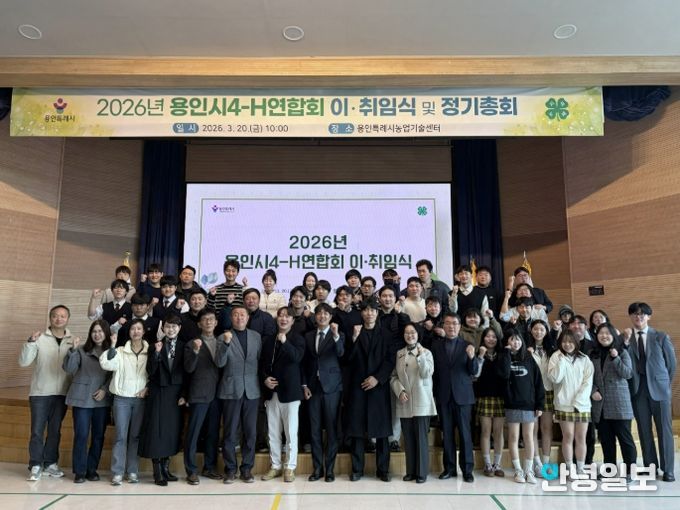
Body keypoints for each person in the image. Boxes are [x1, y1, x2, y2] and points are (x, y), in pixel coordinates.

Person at [19, 305, 75, 481]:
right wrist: (30, 342)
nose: (59, 319)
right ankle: (35, 464)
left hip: (62, 393)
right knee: (37, 430)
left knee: (55, 431)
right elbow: (24, 362)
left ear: (68, 319)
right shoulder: (40, 338)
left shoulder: (72, 340)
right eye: (55, 316)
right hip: (40, 393)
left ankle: (50, 463)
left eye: (63, 316)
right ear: (50, 318)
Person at [345, 298, 395, 482]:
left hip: (378, 388)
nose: (369, 313)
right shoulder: (354, 331)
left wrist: (378, 378)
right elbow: (347, 359)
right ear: (361, 313)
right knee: (357, 430)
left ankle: (383, 470)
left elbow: (390, 360)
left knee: (382, 431)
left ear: (377, 312)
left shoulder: (386, 334)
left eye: (372, 310)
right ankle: (357, 469)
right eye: (366, 310)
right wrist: (354, 339)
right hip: (357, 387)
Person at [625, 301, 676, 482]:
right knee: (644, 431)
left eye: (642, 314)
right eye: (634, 314)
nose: (638, 317)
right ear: (630, 316)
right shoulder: (626, 338)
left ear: (648, 316)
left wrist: (664, 383)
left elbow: (671, 365)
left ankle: (668, 470)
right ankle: (651, 468)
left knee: (665, 430)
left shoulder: (660, 336)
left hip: (660, 390)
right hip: (638, 390)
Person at [99, 318, 149, 486]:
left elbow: (153, 373)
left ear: (143, 332)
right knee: (120, 436)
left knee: (135, 436)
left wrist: (147, 388)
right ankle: (117, 472)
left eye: (139, 329)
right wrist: (112, 345)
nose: (136, 331)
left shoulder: (150, 351)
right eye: (133, 329)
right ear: (129, 332)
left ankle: (132, 471)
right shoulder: (120, 351)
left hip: (140, 399)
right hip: (121, 398)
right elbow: (107, 364)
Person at [215, 306, 262, 484]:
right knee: (230, 432)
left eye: (242, 314)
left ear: (248, 318)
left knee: (250, 432)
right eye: (235, 315)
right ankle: (230, 469)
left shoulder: (256, 337)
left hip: (252, 390)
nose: (239, 317)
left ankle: (247, 469)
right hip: (231, 390)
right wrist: (226, 344)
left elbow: (259, 360)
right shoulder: (223, 337)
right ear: (231, 318)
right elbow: (219, 363)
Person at [62, 319, 112, 483]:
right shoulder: (82, 350)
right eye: (94, 331)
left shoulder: (111, 351)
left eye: (100, 331)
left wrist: (104, 389)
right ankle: (80, 471)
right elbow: (69, 369)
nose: (97, 334)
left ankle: (92, 469)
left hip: (101, 400)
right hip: (82, 398)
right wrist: (73, 350)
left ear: (106, 333)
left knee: (98, 436)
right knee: (81, 435)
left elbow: (115, 374)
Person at [431, 312, 479, 483]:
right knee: (447, 435)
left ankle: (467, 470)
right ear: (443, 326)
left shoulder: (468, 345)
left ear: (459, 327)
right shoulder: (435, 346)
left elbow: (474, 371)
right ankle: (449, 468)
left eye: (455, 323)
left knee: (465, 435)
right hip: (444, 396)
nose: (451, 326)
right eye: (448, 323)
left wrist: (472, 358)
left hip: (463, 397)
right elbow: (434, 373)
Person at [140, 313, 187, 487]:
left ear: (179, 328)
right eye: (168, 326)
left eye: (174, 326)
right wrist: (157, 353)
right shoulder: (155, 346)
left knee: (171, 431)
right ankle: (157, 472)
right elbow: (150, 371)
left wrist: (184, 394)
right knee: (156, 430)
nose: (171, 329)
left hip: (175, 393)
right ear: (163, 328)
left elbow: (187, 373)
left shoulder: (184, 346)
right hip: (158, 391)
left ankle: (166, 469)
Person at [260, 306, 305, 482]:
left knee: (291, 432)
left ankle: (290, 467)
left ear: (292, 321)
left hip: (291, 392)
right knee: (273, 432)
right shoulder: (268, 339)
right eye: (280, 316)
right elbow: (262, 364)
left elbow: (297, 358)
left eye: (287, 317)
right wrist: (265, 378)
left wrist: (285, 342)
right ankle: (275, 466)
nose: (283, 319)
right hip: (271, 392)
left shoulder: (298, 338)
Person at [304, 303, 345, 482]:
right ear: (315, 316)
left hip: (332, 388)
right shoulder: (308, 336)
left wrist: (335, 336)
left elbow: (341, 353)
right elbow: (304, 362)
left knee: (331, 429)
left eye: (326, 313)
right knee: (314, 430)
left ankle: (330, 469)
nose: (322, 316)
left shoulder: (338, 334)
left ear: (330, 317)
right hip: (313, 388)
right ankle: (317, 469)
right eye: (319, 313)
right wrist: (304, 385)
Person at [390, 323, 436, 483]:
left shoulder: (426, 352)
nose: (410, 335)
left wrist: (420, 355)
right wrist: (400, 391)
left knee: (421, 439)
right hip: (405, 401)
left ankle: (421, 473)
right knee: (408, 439)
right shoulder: (399, 354)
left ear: (418, 334)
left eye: (413, 332)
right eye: (407, 333)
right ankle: (410, 471)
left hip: (421, 402)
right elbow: (393, 377)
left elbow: (426, 373)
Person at [590, 322, 636, 479]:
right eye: (601, 333)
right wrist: (593, 391)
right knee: (606, 440)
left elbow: (628, 374)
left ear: (614, 336)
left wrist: (615, 358)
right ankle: (609, 470)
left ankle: (630, 471)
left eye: (608, 333)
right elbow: (586, 377)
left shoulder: (622, 352)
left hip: (619, 403)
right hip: (601, 404)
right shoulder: (593, 354)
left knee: (625, 440)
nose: (604, 336)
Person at [498, 331, 545, 484]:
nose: (515, 342)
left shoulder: (529, 358)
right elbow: (504, 374)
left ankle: (528, 470)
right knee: (513, 437)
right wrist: (506, 354)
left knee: (529, 437)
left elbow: (538, 382)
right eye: (512, 340)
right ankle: (518, 470)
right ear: (507, 342)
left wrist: (540, 404)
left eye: (518, 339)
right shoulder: (503, 357)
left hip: (529, 404)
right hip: (512, 404)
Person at [183, 308, 223, 484]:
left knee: (213, 433)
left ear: (216, 322)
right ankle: (191, 470)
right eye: (205, 319)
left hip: (218, 395)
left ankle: (209, 467)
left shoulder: (222, 341)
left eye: (211, 319)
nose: (208, 322)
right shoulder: (192, 343)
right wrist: (195, 351)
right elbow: (188, 368)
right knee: (193, 433)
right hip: (199, 393)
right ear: (199, 324)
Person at [548, 330, 594, 478]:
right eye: (564, 341)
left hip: (582, 405)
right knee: (568, 436)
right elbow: (554, 379)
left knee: (581, 437)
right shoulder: (556, 356)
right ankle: (570, 468)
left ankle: (580, 468)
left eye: (570, 341)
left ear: (576, 342)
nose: (567, 344)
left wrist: (579, 400)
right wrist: (562, 361)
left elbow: (588, 382)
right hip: (564, 404)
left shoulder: (584, 359)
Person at [474, 327, 506, 478]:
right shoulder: (478, 354)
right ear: (483, 339)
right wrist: (480, 356)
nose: (491, 339)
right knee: (486, 431)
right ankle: (487, 464)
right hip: (484, 396)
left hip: (500, 397)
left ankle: (497, 464)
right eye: (488, 336)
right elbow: (475, 374)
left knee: (498, 432)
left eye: (494, 337)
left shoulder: (502, 354)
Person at [527, 319, 556, 479]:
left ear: (546, 332)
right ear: (531, 331)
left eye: (542, 329)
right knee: (533, 428)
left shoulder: (552, 349)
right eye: (535, 329)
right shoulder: (526, 348)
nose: (538, 332)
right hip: (531, 392)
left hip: (548, 391)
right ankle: (536, 462)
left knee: (546, 428)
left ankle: (546, 462)